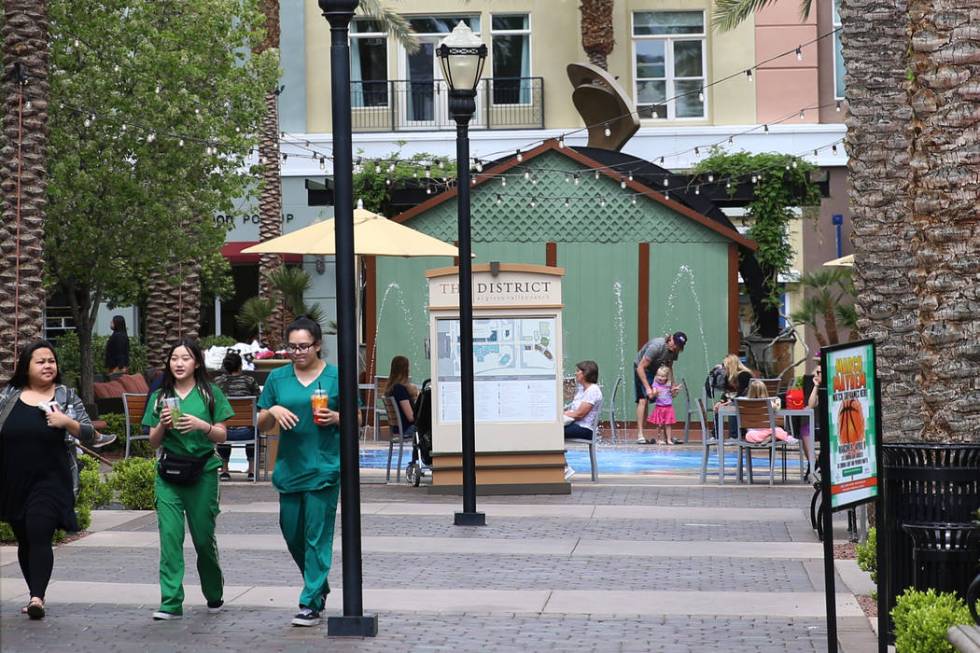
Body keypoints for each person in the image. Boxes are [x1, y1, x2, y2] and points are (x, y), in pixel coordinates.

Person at [0, 340, 111, 620]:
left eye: (51, 360)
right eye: (41, 361)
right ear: (26, 367)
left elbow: (92, 435)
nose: (48, 366)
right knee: (25, 537)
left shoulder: (64, 395)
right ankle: (33, 592)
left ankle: (38, 597)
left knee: (39, 530)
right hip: (13, 479)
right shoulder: (9, 395)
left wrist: (66, 422)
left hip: (52, 478)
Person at [257, 316, 347, 627]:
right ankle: (318, 585)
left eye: (304, 346)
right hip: (289, 469)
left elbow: (356, 417)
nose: (298, 352)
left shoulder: (336, 377)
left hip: (324, 467)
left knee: (316, 537)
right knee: (292, 533)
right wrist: (273, 410)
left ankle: (309, 602)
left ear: (318, 345)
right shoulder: (278, 379)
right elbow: (260, 422)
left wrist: (335, 416)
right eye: (292, 347)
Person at [143, 339, 233, 621]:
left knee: (203, 539)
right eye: (174, 358)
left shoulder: (210, 393)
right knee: (170, 538)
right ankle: (170, 601)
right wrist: (162, 425)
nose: (179, 363)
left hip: (203, 472)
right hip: (169, 474)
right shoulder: (161, 396)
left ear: (196, 363)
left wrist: (201, 425)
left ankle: (213, 591)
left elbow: (222, 434)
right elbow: (151, 442)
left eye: (185, 358)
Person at [214, 351, 260, 481]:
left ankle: (224, 470)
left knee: (221, 423)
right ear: (240, 366)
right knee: (253, 425)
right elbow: (259, 402)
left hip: (224, 433)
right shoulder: (249, 381)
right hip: (247, 433)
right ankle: (251, 470)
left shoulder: (217, 382)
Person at [633, 331, 686, 444]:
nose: (675, 346)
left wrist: (672, 385)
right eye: (674, 343)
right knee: (643, 399)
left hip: (657, 371)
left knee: (663, 398)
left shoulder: (675, 351)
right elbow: (640, 367)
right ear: (670, 338)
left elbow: (669, 366)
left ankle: (667, 437)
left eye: (678, 346)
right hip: (642, 368)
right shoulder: (656, 347)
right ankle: (640, 435)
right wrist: (647, 387)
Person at [562, 360, 602, 480]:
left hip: (584, 428)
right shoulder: (581, 389)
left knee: (553, 432)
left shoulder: (593, 390)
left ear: (586, 373)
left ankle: (564, 467)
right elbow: (573, 410)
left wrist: (562, 415)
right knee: (550, 430)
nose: (576, 373)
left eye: (578, 371)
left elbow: (580, 414)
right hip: (576, 425)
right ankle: (561, 465)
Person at [742, 379, 798, 444]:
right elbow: (777, 408)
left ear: (750, 391)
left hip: (754, 432)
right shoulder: (769, 403)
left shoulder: (745, 404)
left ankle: (765, 438)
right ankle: (775, 437)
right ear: (765, 391)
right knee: (778, 431)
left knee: (749, 436)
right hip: (769, 430)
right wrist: (777, 401)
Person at [645, 365, 681, 445]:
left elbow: (672, 394)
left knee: (668, 424)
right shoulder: (655, 384)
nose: (660, 378)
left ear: (667, 377)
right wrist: (655, 393)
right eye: (659, 376)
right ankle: (658, 439)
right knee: (659, 425)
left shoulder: (668, 384)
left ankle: (668, 439)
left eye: (663, 376)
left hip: (668, 407)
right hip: (659, 407)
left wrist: (675, 390)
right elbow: (653, 394)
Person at [383, 355, 416, 440]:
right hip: (406, 429)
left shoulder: (391, 388)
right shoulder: (399, 389)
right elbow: (411, 417)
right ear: (405, 370)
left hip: (398, 428)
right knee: (433, 429)